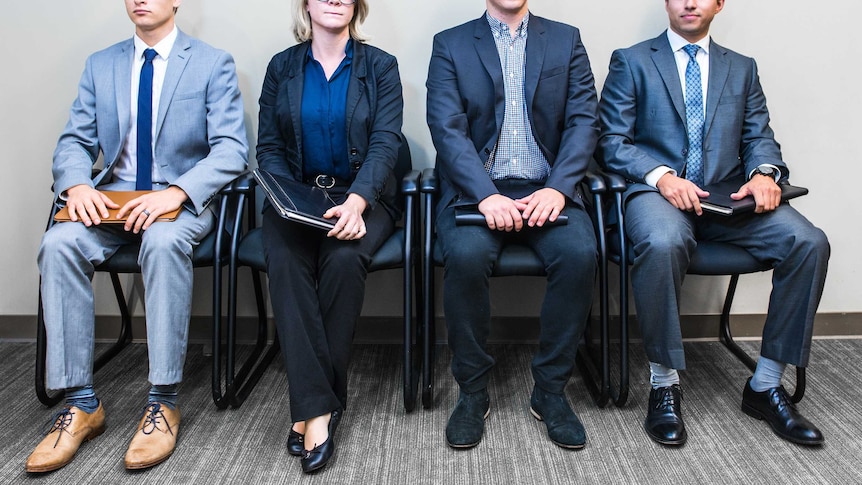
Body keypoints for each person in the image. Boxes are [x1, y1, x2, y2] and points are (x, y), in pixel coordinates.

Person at [27, 0, 247, 473]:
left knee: (163, 244)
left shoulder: (212, 62)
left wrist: (176, 193)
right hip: (111, 202)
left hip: (177, 207)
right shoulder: (100, 64)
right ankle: (81, 403)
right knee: (58, 244)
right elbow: (75, 142)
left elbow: (231, 149)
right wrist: (77, 184)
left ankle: (162, 401)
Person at [597, 0, 829, 447]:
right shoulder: (632, 61)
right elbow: (611, 142)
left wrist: (765, 173)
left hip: (726, 200)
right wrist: (662, 176)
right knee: (663, 241)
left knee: (809, 242)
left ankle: (764, 385)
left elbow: (759, 135)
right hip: (654, 195)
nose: (688, 3)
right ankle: (664, 383)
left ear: (719, 4)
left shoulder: (741, 68)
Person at [426, 0, 599, 450]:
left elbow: (583, 122)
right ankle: (473, 390)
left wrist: (560, 188)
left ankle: (551, 390)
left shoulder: (566, 39)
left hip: (547, 188)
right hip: (478, 191)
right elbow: (447, 129)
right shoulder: (451, 44)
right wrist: (486, 194)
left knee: (581, 255)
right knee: (463, 257)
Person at [256, 0, 403, 473]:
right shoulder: (281, 67)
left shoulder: (381, 66)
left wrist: (358, 201)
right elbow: (270, 148)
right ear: (306, 5)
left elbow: (386, 142)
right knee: (286, 260)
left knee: (342, 261)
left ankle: (312, 411)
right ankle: (321, 405)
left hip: (365, 197)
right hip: (296, 200)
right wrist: (292, 203)